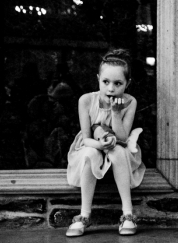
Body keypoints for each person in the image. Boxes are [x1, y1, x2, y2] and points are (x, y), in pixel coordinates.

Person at [65, 49, 144, 237]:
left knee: (117, 151)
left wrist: (116, 113)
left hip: (120, 146)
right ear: (98, 79)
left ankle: (127, 214)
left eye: (118, 83)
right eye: (105, 82)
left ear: (127, 83)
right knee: (90, 154)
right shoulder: (86, 100)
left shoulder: (130, 101)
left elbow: (123, 138)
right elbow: (86, 139)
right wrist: (100, 146)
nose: (110, 89)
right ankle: (84, 215)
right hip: (92, 144)